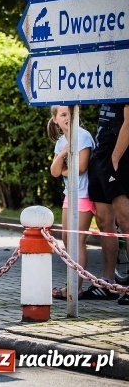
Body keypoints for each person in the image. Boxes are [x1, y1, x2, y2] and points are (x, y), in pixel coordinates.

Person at [47, 105, 96, 299]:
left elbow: (81, 167)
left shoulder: (83, 137)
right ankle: (72, 283)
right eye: (62, 114)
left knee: (78, 241)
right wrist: (62, 153)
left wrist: (64, 169)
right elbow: (54, 171)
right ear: (55, 119)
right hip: (70, 194)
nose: (67, 117)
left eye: (69, 113)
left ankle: (76, 288)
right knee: (67, 239)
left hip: (84, 194)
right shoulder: (61, 142)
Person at [86, 102, 129, 304]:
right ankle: (108, 283)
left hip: (118, 157)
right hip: (100, 157)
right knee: (104, 221)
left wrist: (115, 157)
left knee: (126, 221)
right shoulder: (106, 85)